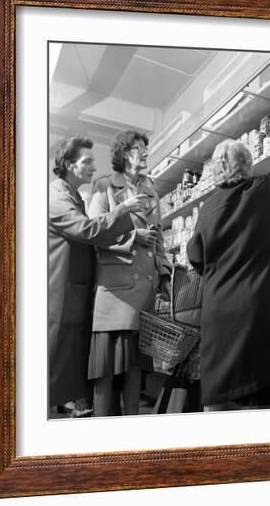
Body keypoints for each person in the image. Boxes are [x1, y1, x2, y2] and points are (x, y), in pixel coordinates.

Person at [186, 121, 270, 411]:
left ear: (217, 170)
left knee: (221, 398)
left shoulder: (207, 209)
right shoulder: (263, 190)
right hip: (257, 310)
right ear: (247, 165)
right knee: (260, 396)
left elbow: (196, 257)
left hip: (219, 312)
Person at [48, 136, 148, 418]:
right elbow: (88, 231)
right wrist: (122, 211)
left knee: (68, 365)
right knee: (56, 362)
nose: (94, 166)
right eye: (87, 161)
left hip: (77, 290)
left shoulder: (74, 195)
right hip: (62, 290)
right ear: (69, 164)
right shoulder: (56, 196)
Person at [88, 130, 171, 417]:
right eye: (138, 149)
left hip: (144, 291)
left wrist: (164, 274)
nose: (145, 154)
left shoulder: (152, 190)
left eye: (145, 149)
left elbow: (159, 237)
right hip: (115, 291)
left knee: (135, 368)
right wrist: (131, 236)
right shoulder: (104, 186)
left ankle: (132, 430)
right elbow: (93, 232)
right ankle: (100, 435)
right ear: (124, 154)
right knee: (106, 369)